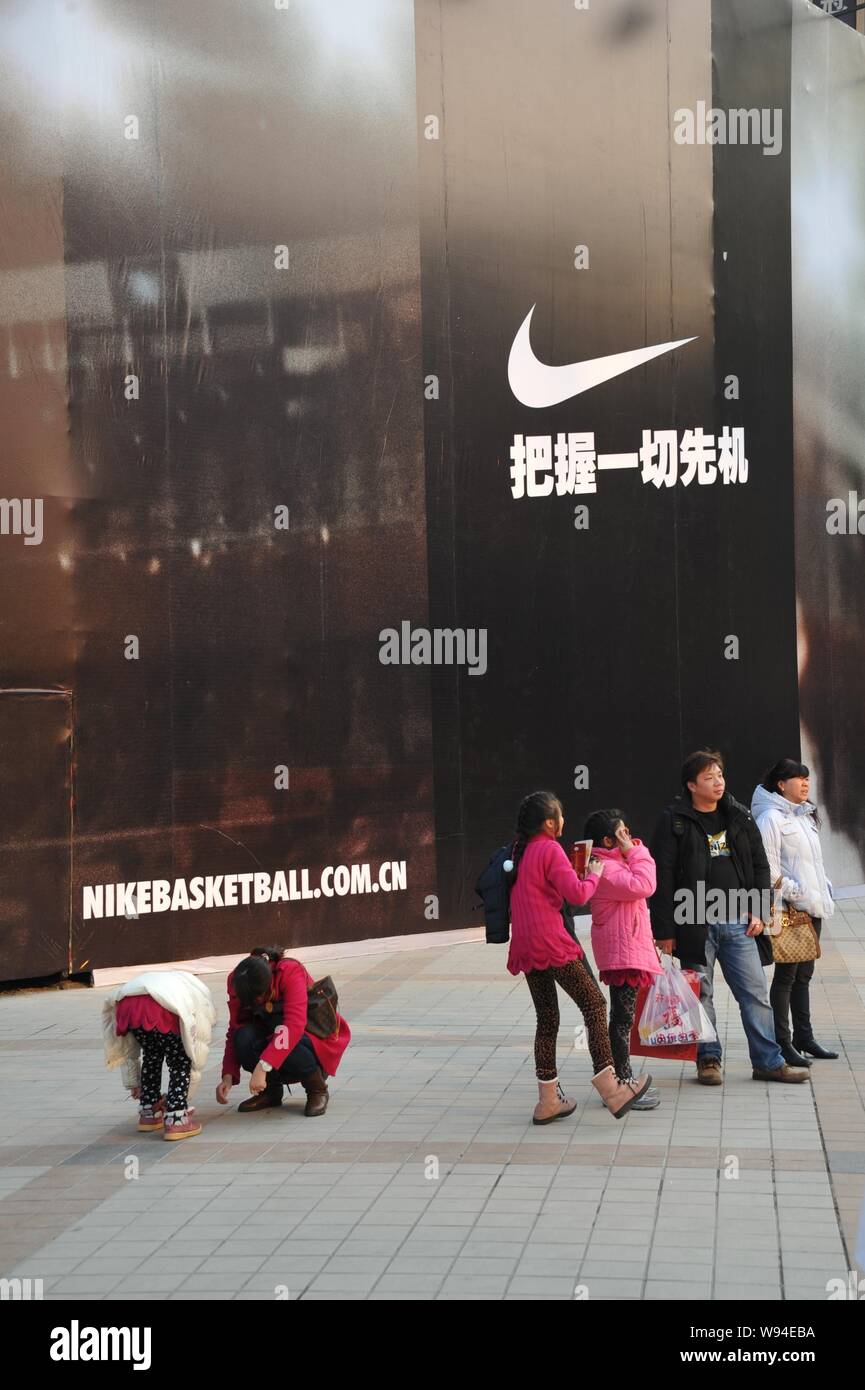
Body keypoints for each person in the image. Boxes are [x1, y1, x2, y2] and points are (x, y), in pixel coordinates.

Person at [649, 750, 809, 1086]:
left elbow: (760, 865)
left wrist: (761, 909)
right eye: (709, 777)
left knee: (754, 994)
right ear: (692, 785)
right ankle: (708, 1060)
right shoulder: (674, 820)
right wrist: (663, 931)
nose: (718, 782)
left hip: (739, 919)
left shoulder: (739, 815)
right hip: (692, 920)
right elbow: (661, 877)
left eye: (720, 774)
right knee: (699, 993)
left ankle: (768, 1062)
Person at [506, 790, 653, 1123]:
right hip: (552, 943)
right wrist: (594, 872)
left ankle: (548, 1101)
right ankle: (613, 1089)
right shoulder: (550, 849)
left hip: (526, 945)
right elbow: (578, 893)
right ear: (549, 822)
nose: (563, 821)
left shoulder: (522, 850)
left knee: (547, 1019)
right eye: (560, 815)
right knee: (595, 1006)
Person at [752, 759, 838, 1064]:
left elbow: (815, 863)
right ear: (780, 784)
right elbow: (768, 867)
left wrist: (823, 888)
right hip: (788, 909)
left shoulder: (805, 816)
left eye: (807, 779)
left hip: (812, 908)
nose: (805, 784)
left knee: (804, 975)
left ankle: (805, 1037)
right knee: (786, 976)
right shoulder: (770, 819)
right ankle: (782, 1042)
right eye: (798, 779)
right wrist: (795, 892)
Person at [584, 808, 662, 1110]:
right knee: (621, 1020)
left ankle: (621, 1082)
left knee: (622, 1018)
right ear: (608, 839)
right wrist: (634, 850)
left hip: (627, 950)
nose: (629, 837)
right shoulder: (604, 867)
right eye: (622, 833)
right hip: (622, 953)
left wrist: (630, 850)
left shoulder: (614, 863)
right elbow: (645, 884)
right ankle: (622, 1085)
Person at [217, 946, 350, 1116]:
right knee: (243, 1038)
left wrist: (263, 1066)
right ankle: (271, 1092)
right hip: (274, 1033)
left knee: (286, 1036)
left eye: (259, 998)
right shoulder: (238, 982)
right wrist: (228, 1075)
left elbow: (294, 1026)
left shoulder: (289, 970)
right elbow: (235, 1028)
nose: (257, 1002)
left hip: (310, 1036)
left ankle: (317, 1089)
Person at [102, 969, 216, 1141]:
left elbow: (128, 1049)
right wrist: (185, 1094)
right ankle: (177, 1119)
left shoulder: (178, 982)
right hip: (161, 1008)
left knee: (152, 1054)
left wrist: (133, 1081)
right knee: (180, 1060)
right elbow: (197, 1050)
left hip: (127, 1005)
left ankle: (149, 1110)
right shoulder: (201, 1002)